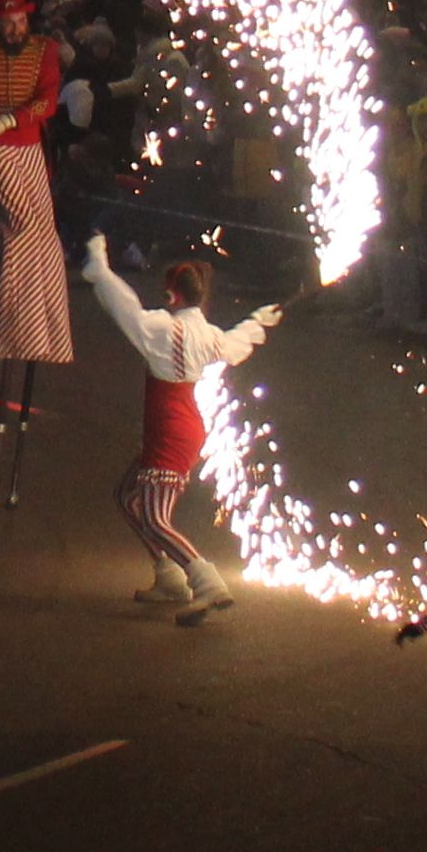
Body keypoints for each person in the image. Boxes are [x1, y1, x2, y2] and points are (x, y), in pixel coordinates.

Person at [82, 239, 280, 621]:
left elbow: (124, 307)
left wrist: (100, 266)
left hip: (172, 433)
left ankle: (207, 583)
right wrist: (259, 321)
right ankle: (169, 575)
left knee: (155, 518)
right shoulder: (207, 334)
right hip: (178, 428)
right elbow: (237, 344)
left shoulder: (162, 329)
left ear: (172, 294)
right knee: (128, 497)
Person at [0, 0, 75, 500]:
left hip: (27, 142)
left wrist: (14, 117)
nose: (13, 28)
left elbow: (49, 99)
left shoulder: (45, 51)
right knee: (22, 225)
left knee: (45, 233)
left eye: (18, 21)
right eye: (6, 20)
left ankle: (43, 320)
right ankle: (16, 311)